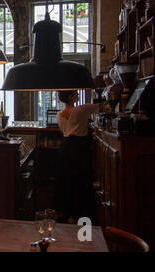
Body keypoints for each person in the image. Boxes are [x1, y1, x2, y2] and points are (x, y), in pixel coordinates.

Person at [55, 90, 104, 223]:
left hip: (65, 147)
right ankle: (79, 214)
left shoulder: (59, 114)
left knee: (66, 179)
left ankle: (66, 213)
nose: (77, 95)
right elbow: (103, 107)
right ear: (71, 97)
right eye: (75, 93)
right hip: (79, 147)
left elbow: (64, 131)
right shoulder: (81, 109)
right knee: (80, 179)